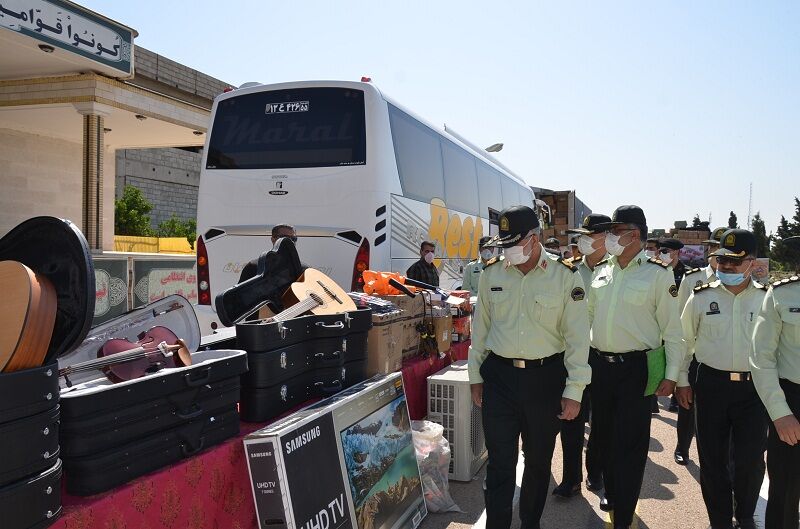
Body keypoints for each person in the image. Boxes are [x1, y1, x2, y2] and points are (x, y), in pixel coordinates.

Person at [468, 205, 591, 529]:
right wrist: (474, 375)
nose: (507, 251)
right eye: (504, 244)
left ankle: (530, 523)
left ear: (535, 239)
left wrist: (574, 390)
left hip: (545, 379)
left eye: (514, 243)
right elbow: (480, 328)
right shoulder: (492, 273)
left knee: (537, 463)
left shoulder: (565, 275)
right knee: (499, 465)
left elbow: (577, 338)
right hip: (499, 379)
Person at [587, 205, 684, 529]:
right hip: (600, 367)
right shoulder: (603, 270)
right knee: (603, 438)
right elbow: (586, 319)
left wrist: (671, 377)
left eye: (616, 230)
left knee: (630, 444)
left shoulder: (657, 273)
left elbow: (672, 331)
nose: (610, 236)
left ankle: (624, 514)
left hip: (636, 369)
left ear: (635, 234)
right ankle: (613, 495)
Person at [676, 229, 769, 529]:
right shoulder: (701, 296)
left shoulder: (769, 300)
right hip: (711, 386)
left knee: (751, 462)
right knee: (713, 461)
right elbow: (683, 340)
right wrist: (681, 380)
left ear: (752, 263)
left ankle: (743, 515)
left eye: (734, 262)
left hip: (755, 390)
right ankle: (719, 520)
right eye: (722, 261)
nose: (725, 268)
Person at [551, 213, 611, 497]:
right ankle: (571, 478)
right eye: (581, 236)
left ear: (604, 238)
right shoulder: (570, 269)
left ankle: (596, 471)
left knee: (600, 422)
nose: (582, 242)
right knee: (570, 418)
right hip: (571, 355)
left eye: (588, 237)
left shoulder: (615, 270)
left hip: (601, 357)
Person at [751, 235, 800, 529]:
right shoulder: (782, 295)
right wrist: (779, 413)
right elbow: (761, 357)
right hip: (792, 403)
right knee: (784, 494)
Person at [671, 229, 724, 464]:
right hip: (695, 356)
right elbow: (681, 320)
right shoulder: (693, 279)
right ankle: (683, 446)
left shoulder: (745, 282)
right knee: (687, 406)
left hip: (723, 356)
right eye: (712, 248)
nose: (715, 253)